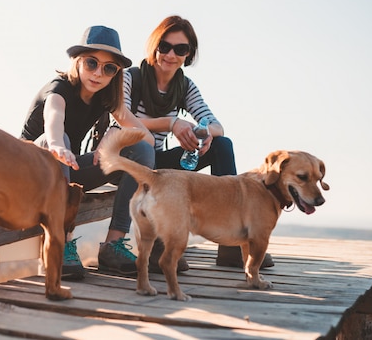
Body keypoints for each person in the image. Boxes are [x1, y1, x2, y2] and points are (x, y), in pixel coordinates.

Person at [123, 15, 273, 271]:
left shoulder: (185, 86)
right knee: (144, 150)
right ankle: (160, 242)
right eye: (165, 46)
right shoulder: (131, 77)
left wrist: (204, 134)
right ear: (154, 46)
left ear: (189, 54)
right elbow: (122, 122)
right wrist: (171, 124)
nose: (171, 54)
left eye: (180, 49)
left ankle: (231, 245)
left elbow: (217, 125)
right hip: (131, 158)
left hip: (159, 163)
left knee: (221, 145)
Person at [21, 25, 155, 280]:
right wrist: (57, 143)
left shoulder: (105, 98)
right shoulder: (58, 88)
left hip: (66, 172)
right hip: (28, 175)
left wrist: (115, 134)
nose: (98, 73)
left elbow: (146, 137)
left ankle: (113, 246)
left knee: (139, 150)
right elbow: (54, 118)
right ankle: (60, 243)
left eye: (109, 68)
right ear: (78, 61)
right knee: (60, 143)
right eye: (92, 63)